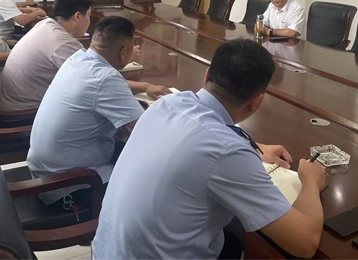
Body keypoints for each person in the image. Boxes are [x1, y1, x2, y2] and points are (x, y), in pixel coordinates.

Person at [92, 39, 326, 259]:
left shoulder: (168, 103)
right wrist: (311, 182)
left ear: (207, 75)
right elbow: (304, 243)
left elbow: (205, 138)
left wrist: (254, 148)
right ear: (256, 101)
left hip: (105, 252)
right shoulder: (227, 152)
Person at [26, 16, 172, 205]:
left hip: (46, 171)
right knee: (160, 180)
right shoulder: (106, 78)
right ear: (124, 53)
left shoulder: (77, 58)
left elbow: (101, 90)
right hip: (70, 184)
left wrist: (143, 90)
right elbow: (147, 132)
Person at [0, 0, 162, 112]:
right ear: (77, 16)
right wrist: (145, 86)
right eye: (89, 15)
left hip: (12, 104)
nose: (89, 20)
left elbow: (90, 70)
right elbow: (97, 81)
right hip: (22, 113)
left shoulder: (46, 25)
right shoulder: (60, 43)